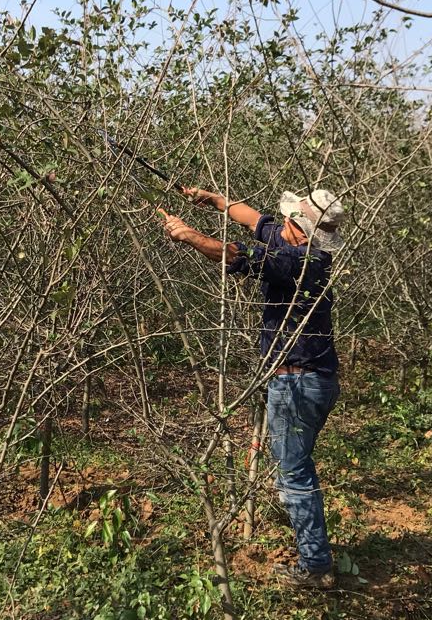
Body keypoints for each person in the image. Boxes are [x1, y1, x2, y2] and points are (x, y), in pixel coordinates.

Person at [160, 187, 345, 589]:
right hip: (313, 378)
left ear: (302, 229)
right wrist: (215, 200)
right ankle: (301, 524)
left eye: (291, 220)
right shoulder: (296, 244)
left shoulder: (300, 261)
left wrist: (188, 235)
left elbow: (234, 253)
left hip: (298, 381)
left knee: (295, 473)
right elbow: (255, 220)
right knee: (294, 466)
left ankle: (315, 566)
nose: (283, 224)